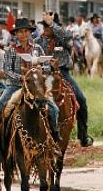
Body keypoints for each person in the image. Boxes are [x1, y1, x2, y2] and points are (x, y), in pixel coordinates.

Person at [0, 18, 59, 143]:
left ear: (30, 32)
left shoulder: (37, 48)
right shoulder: (11, 49)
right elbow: (7, 71)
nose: (23, 34)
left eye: (26, 31)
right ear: (16, 34)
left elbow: (47, 67)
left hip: (35, 86)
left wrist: (41, 69)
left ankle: (54, 137)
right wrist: (21, 77)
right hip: (15, 86)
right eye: (20, 32)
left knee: (54, 109)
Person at [35, 13, 93, 146]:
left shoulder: (62, 39)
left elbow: (68, 36)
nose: (46, 30)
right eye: (44, 27)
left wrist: (53, 24)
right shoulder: (38, 41)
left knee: (81, 100)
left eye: (48, 27)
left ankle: (83, 135)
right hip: (42, 75)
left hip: (62, 73)